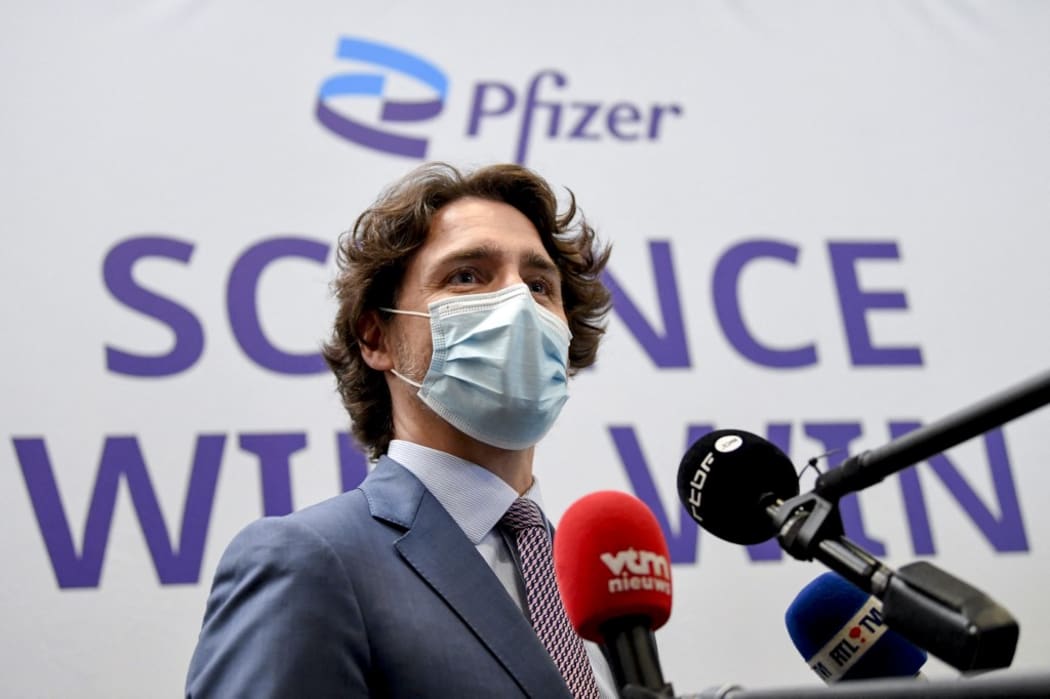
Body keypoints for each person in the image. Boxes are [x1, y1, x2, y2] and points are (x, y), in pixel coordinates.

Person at [185, 162, 615, 697]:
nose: (519, 303)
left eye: (539, 285)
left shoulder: (592, 582)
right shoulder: (310, 559)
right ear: (376, 338)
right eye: (467, 276)